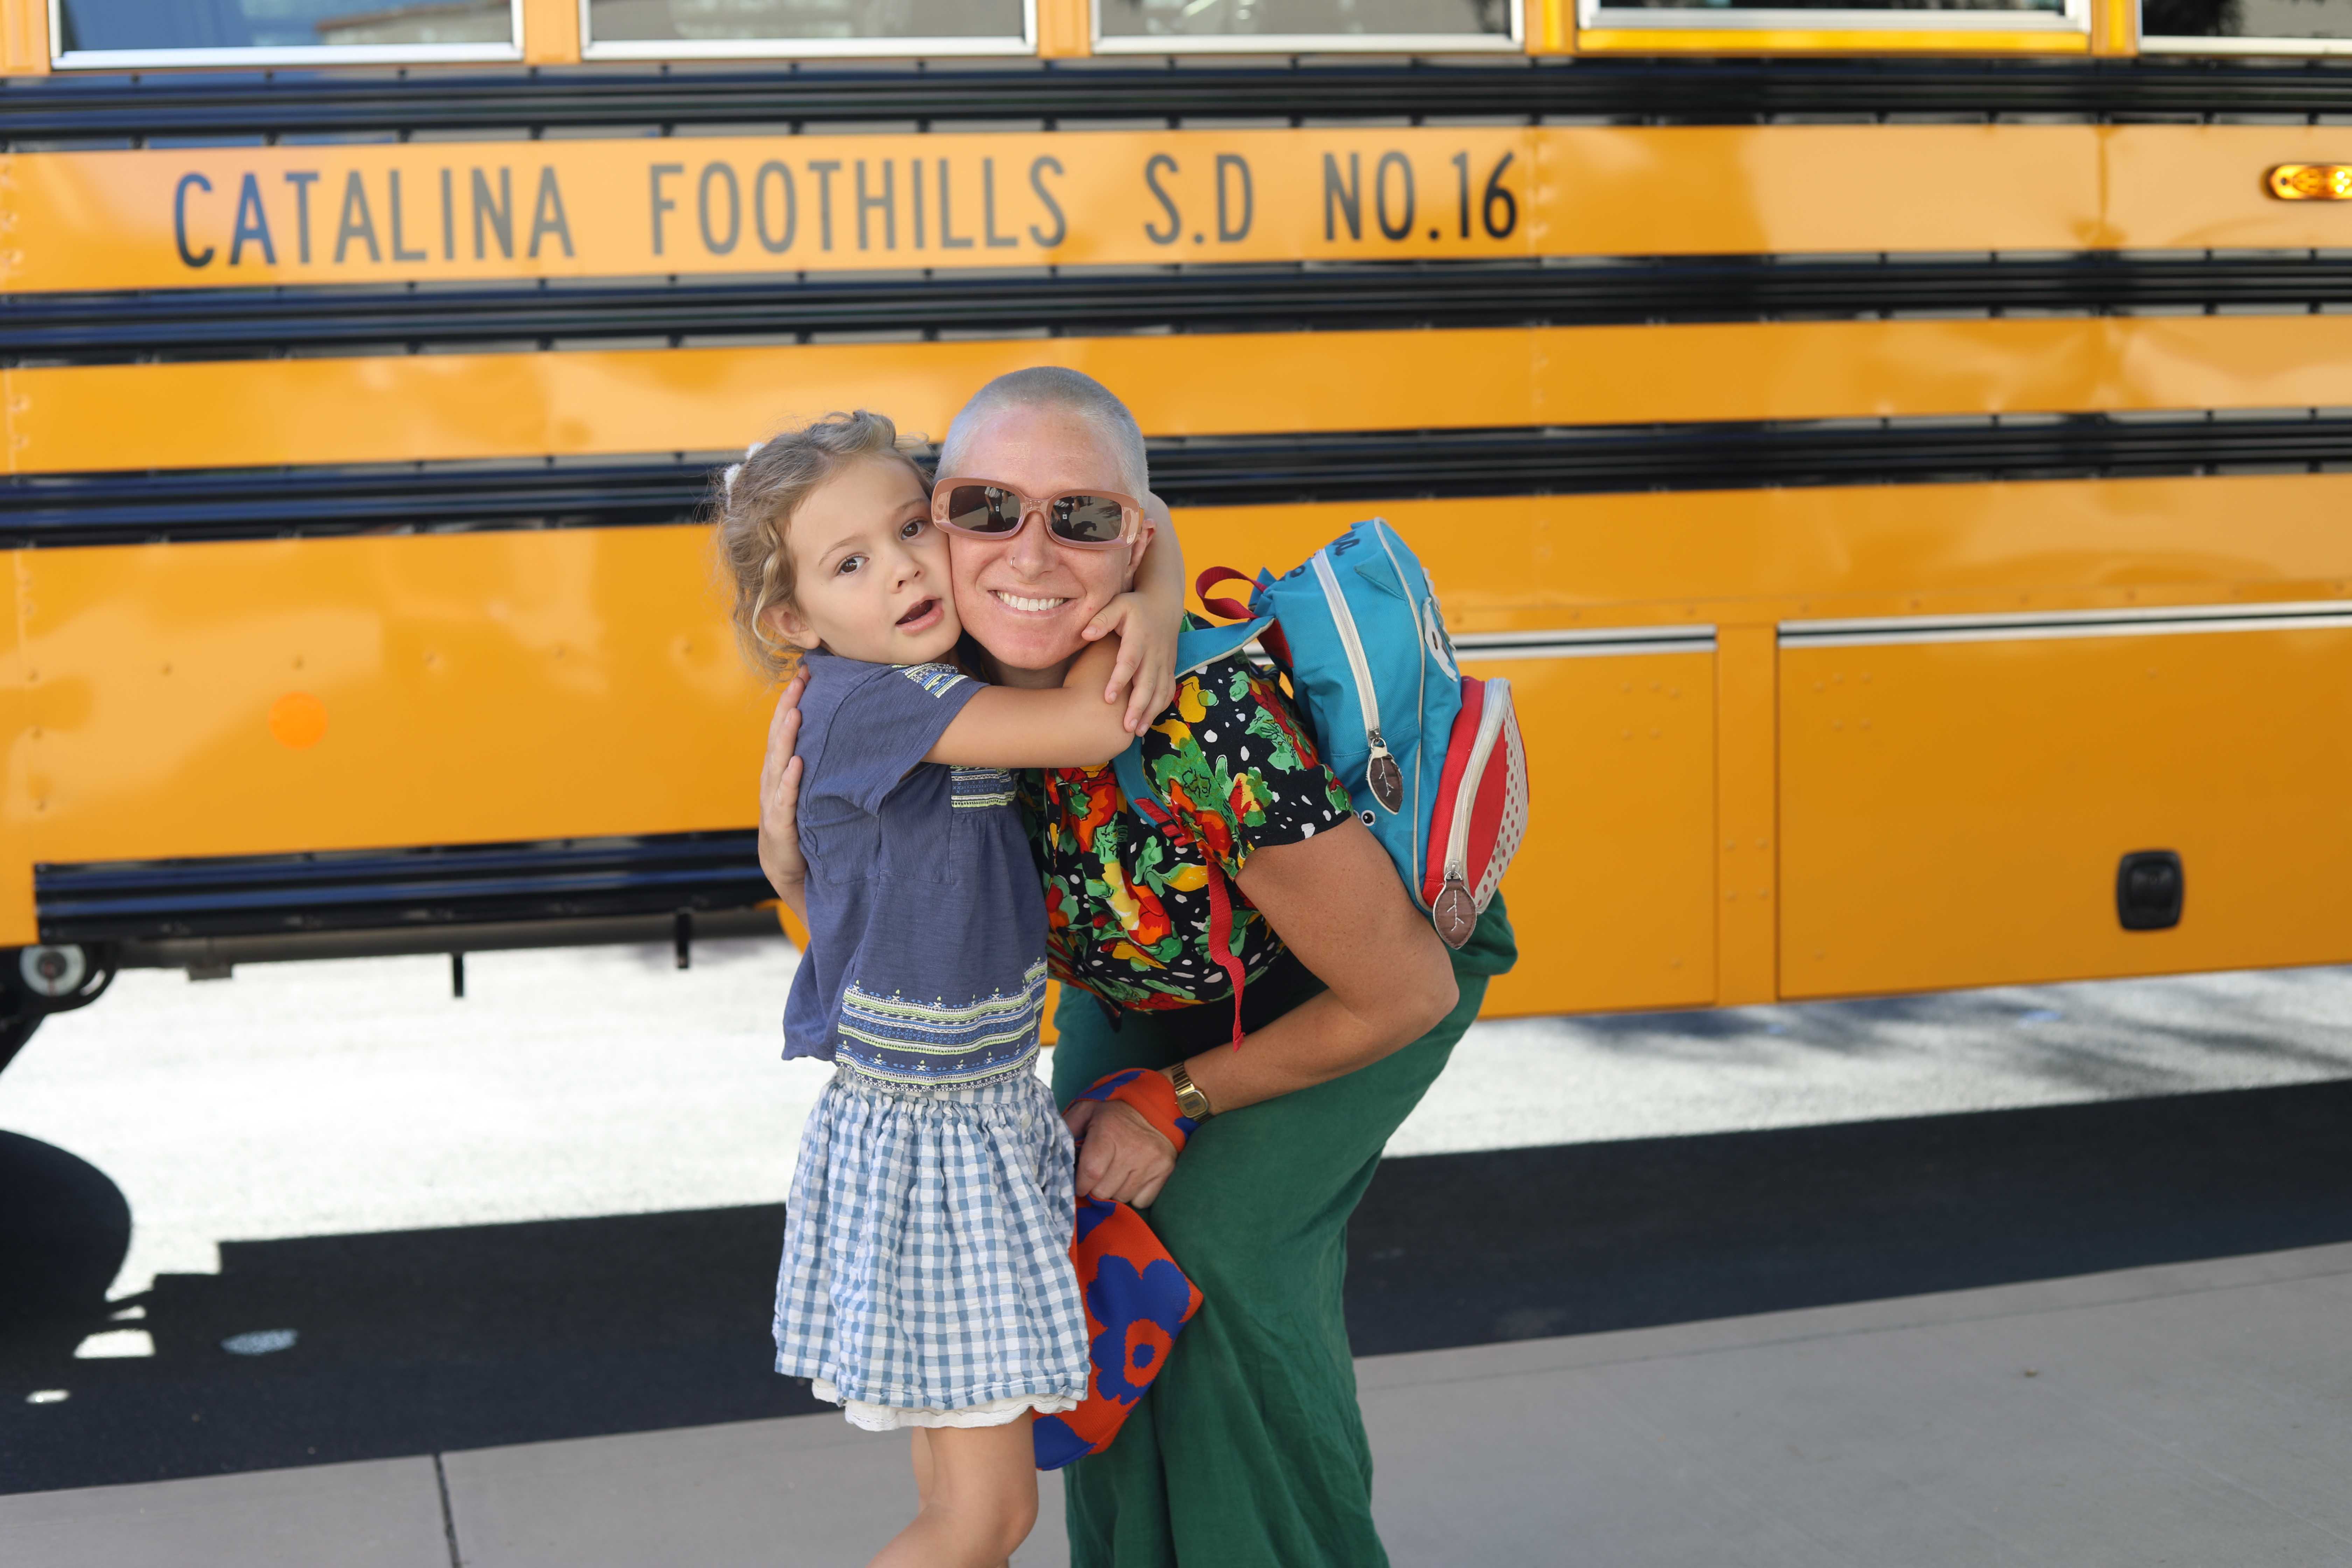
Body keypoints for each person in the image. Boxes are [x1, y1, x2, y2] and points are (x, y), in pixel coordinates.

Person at [757, 369, 1518, 1567]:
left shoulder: (1200, 725)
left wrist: (1180, 1098)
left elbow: (1404, 993)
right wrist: (792, 866)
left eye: (1085, 519)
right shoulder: (937, 672)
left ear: (1133, 536)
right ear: (937, 521)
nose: (1031, 551)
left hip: (1344, 981)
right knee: (1093, 1274)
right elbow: (887, 929)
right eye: (983, 509)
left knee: (1211, 1259)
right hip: (1141, 979)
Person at [714, 410, 1184, 1568]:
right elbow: (1093, 722)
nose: (907, 569)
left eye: (913, 526)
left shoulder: (918, 682)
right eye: (850, 563)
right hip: (940, 1137)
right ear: (792, 620)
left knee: (956, 1499)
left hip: (953, 1115)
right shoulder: (882, 700)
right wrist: (1154, 570)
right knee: (988, 1517)